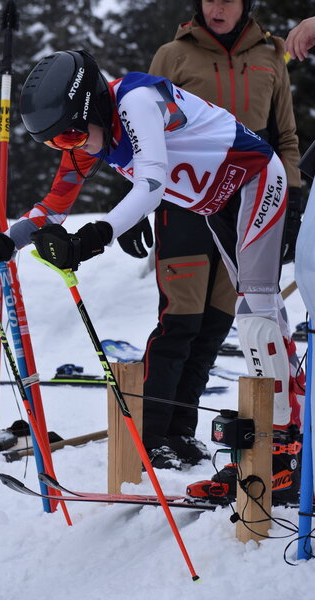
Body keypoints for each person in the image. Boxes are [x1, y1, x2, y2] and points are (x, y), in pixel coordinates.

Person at [0, 49, 304, 504]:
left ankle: (281, 453)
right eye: (57, 144)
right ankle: (287, 438)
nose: (72, 148)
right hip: (218, 202)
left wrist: (96, 235)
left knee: (255, 313)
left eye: (72, 136)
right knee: (262, 311)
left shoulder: (136, 100)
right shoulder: (88, 134)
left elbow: (152, 184)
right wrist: (2, 244)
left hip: (255, 177)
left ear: (92, 106)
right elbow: (53, 208)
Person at [116, 0, 305, 483]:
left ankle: (182, 430)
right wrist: (135, 204)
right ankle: (153, 434)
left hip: (250, 194)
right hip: (181, 200)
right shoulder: (173, 54)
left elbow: (284, 131)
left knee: (222, 320)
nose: (217, 6)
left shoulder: (271, 55)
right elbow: (134, 133)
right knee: (181, 318)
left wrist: (294, 191)